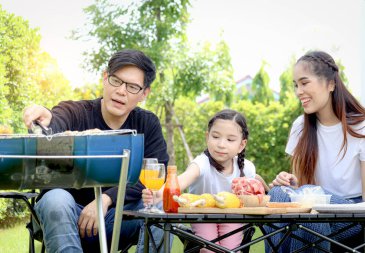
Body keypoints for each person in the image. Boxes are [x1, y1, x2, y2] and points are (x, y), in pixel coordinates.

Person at [23, 49, 170, 253]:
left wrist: (105, 199)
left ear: (144, 93)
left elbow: (154, 174)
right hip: (66, 216)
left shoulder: (147, 123)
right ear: (104, 78)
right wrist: (47, 118)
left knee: (159, 206)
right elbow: (57, 120)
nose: (121, 91)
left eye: (133, 87)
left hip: (119, 217)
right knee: (56, 198)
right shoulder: (76, 112)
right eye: (116, 80)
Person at [267, 50, 365, 252]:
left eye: (304, 83)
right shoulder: (300, 126)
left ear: (330, 84)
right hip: (314, 210)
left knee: (310, 204)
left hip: (353, 216)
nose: (298, 91)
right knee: (278, 193)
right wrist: (289, 182)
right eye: (296, 85)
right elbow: (300, 185)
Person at [143, 109, 267, 252]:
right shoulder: (202, 163)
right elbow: (182, 180)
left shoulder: (247, 167)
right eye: (215, 137)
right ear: (207, 137)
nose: (221, 144)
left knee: (231, 249)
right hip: (202, 216)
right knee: (209, 250)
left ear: (241, 145)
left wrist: (270, 188)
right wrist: (157, 194)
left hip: (233, 217)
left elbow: (256, 181)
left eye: (230, 140)